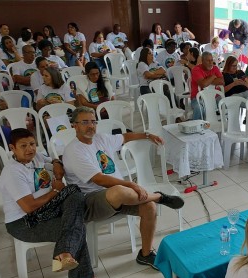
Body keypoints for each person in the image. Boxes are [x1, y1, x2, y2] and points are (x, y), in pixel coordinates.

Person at [62, 107, 185, 269]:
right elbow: (100, 180)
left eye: (93, 122)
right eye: (85, 122)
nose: (90, 126)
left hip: (120, 196)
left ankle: (145, 254)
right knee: (120, 190)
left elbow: (125, 137)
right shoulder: (74, 150)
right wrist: (132, 184)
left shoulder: (101, 139)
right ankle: (158, 196)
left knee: (149, 206)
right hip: (90, 201)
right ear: (74, 126)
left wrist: (148, 135)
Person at [0, 128, 97, 278]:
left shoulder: (35, 157)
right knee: (74, 225)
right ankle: (80, 273)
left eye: (32, 144)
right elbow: (29, 207)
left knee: (74, 192)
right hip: (23, 222)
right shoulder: (12, 172)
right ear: (12, 148)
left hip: (46, 209)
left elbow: (51, 159)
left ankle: (64, 254)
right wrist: (55, 191)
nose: (30, 149)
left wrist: (57, 163)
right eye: (23, 146)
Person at [190, 51, 224, 120]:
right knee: (199, 109)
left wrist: (207, 80)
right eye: (208, 61)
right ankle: (195, 127)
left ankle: (222, 126)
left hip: (215, 97)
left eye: (211, 60)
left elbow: (222, 81)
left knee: (225, 106)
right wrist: (213, 77)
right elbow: (203, 84)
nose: (211, 63)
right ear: (202, 61)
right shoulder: (196, 69)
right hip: (198, 98)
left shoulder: (215, 68)